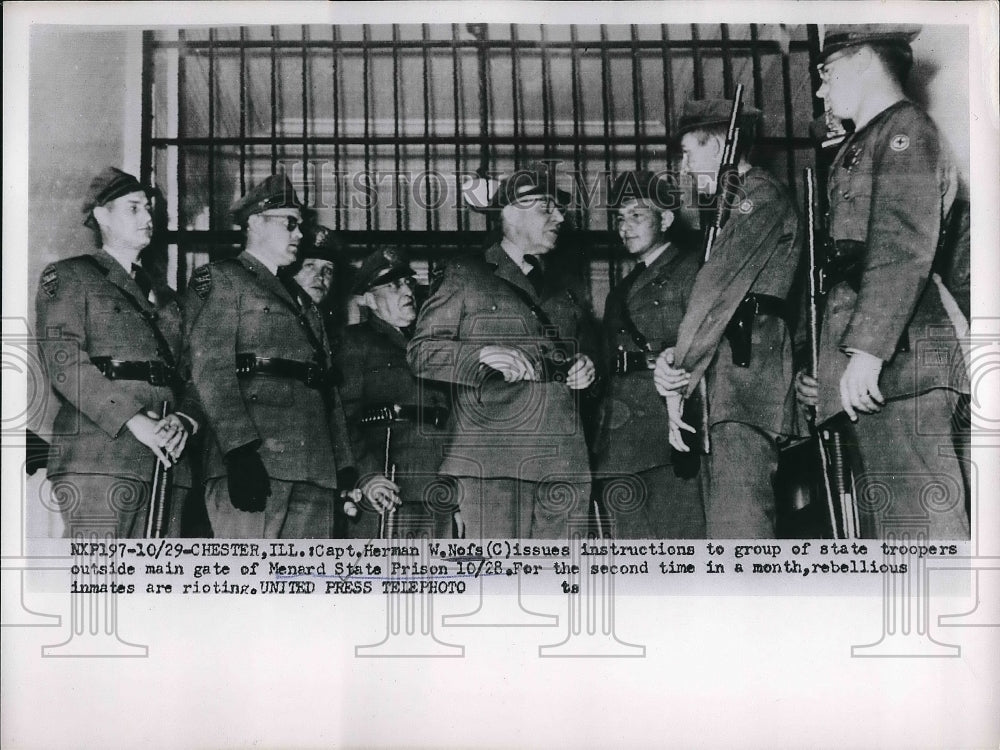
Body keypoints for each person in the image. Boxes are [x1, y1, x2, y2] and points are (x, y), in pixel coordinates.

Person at [794, 25, 969, 538]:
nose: (822, 90)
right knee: (895, 533)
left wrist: (866, 354)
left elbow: (899, 247)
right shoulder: (866, 141)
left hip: (903, 360)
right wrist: (832, 365)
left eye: (827, 73)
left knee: (924, 527)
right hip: (885, 365)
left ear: (866, 59)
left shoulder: (904, 132)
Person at [183, 175, 396, 538]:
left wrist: (343, 467)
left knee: (304, 588)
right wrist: (238, 451)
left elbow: (326, 389)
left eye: (300, 226)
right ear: (254, 223)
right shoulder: (223, 280)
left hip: (314, 469)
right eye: (290, 223)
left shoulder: (304, 306)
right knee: (249, 585)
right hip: (256, 461)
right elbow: (211, 369)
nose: (299, 234)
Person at [407, 167, 597, 538]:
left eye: (558, 209)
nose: (559, 217)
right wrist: (479, 356)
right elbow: (421, 352)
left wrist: (589, 367)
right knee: (501, 582)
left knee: (557, 584)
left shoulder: (566, 286)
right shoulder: (466, 273)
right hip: (494, 459)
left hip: (564, 455)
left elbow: (586, 347)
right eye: (546, 207)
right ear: (510, 212)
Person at [654, 99, 802, 538]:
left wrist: (677, 376)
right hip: (728, 379)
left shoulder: (758, 196)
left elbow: (715, 294)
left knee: (741, 528)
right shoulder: (728, 208)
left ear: (718, 144)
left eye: (689, 152)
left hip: (745, 382)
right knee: (725, 528)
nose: (683, 166)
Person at [35, 167, 198, 537]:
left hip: (167, 462)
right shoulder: (71, 276)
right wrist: (136, 421)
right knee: (100, 586)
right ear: (101, 215)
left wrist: (185, 420)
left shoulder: (169, 299)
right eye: (133, 208)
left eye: (148, 208)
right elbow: (66, 365)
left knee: (156, 589)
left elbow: (194, 373)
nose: (147, 217)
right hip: (101, 456)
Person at [593, 170, 704, 538]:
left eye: (636, 215)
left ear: (666, 219)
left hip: (668, 429)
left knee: (680, 550)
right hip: (620, 436)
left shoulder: (693, 269)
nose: (625, 227)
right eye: (620, 218)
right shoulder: (620, 291)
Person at [337, 249, 455, 539]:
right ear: (368, 299)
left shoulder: (431, 346)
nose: (406, 290)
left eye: (408, 283)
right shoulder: (354, 343)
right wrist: (366, 475)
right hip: (388, 484)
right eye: (392, 285)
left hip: (438, 485)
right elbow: (341, 417)